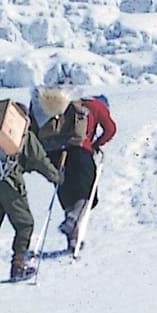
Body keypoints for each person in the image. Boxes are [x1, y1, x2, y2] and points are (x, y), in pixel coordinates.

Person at [0, 119, 62, 288]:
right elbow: (39, 159)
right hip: (8, 182)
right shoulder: (21, 132)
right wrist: (55, 176)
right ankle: (18, 265)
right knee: (24, 223)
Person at [54, 95, 116, 250]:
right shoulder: (97, 106)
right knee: (88, 194)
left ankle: (73, 239)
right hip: (81, 152)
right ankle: (73, 222)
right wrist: (95, 144)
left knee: (69, 196)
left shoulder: (71, 104)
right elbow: (110, 129)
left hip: (58, 154)